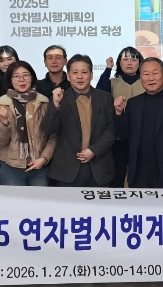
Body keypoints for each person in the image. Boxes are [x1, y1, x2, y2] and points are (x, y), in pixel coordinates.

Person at [114, 57, 163, 189]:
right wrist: (119, 113)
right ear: (140, 78)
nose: (151, 78)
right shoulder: (133, 103)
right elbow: (125, 136)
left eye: (155, 73)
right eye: (146, 74)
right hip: (138, 174)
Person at [41, 54, 116, 187]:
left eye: (84, 72)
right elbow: (48, 129)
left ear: (91, 75)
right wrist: (55, 104)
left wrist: (94, 150)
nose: (80, 77)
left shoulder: (105, 98)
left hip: (99, 167)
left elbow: (112, 129)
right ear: (68, 76)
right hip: (68, 169)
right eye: (75, 73)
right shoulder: (60, 98)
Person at [0, 62, 56, 186]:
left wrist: (43, 158)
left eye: (26, 75)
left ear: (32, 78)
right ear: (10, 80)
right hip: (11, 169)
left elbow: (53, 135)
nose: (21, 79)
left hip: (39, 168)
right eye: (16, 76)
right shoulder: (2, 104)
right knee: (13, 200)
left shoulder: (44, 103)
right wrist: (4, 121)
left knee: (39, 199)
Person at [96, 47, 145, 188]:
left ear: (140, 63)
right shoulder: (112, 82)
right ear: (119, 62)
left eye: (133, 59)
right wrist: (108, 68)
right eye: (125, 59)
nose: (129, 63)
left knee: (139, 178)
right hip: (116, 139)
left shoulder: (145, 82)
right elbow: (99, 93)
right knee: (116, 178)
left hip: (141, 139)